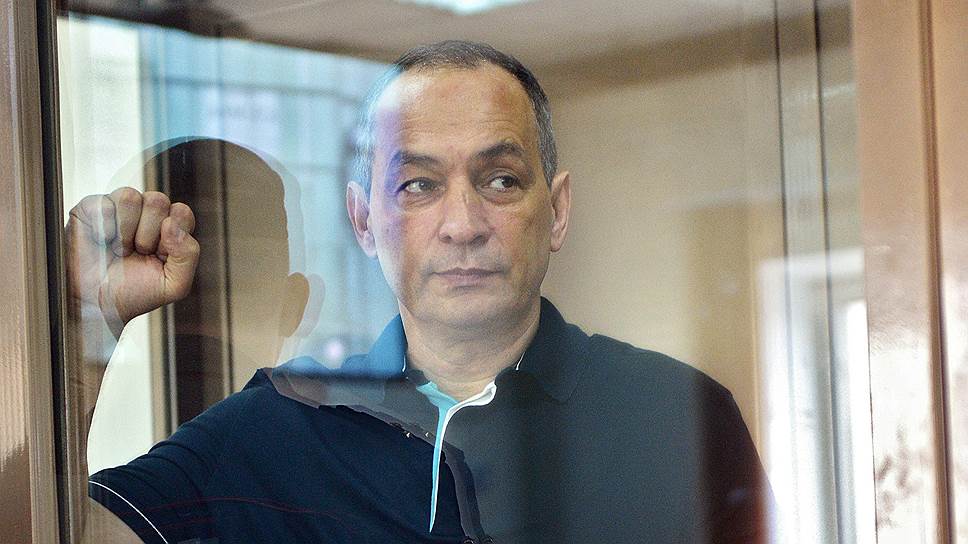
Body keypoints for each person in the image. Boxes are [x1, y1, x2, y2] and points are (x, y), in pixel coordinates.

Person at [71, 41, 772, 543]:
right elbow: (63, 529)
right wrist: (85, 325)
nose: (463, 224)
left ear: (556, 211)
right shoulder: (273, 432)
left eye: (501, 180)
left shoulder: (678, 417)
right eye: (418, 185)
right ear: (363, 221)